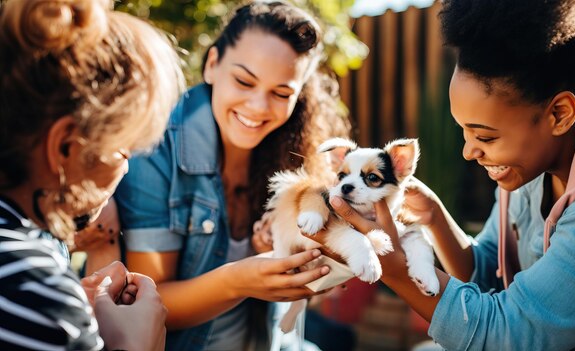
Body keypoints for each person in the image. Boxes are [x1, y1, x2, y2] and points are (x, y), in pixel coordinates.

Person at [315, 0, 575, 350]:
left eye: (485, 136)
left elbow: (506, 334)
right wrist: (433, 215)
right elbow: (487, 271)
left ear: (559, 113)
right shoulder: (533, 165)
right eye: (464, 131)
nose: (468, 151)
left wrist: (393, 266)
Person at [113, 1, 350, 349]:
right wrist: (239, 281)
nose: (257, 106)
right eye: (243, 81)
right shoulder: (153, 149)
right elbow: (148, 301)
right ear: (212, 65)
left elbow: (303, 296)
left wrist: (314, 267)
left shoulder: (298, 154)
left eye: (281, 93)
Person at [0, 0, 185, 349]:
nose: (126, 167)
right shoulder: (32, 288)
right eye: (123, 150)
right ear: (65, 146)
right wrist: (135, 344)